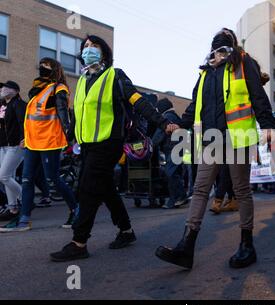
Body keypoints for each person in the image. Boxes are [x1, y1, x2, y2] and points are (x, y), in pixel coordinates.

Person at [155, 28, 275, 270]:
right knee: (200, 188)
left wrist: (269, 125)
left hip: (237, 136)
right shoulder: (205, 73)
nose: (217, 48)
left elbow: (257, 95)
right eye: (215, 43)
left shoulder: (243, 63)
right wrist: (178, 123)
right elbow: (194, 108)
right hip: (211, 139)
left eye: (223, 40)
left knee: (241, 190)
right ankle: (186, 245)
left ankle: (246, 244)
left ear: (231, 44)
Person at [50, 35, 177, 262]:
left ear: (104, 52)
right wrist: (68, 138)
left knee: (88, 189)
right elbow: (78, 117)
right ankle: (126, 231)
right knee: (106, 188)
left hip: (108, 144)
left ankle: (79, 242)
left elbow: (138, 100)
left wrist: (163, 122)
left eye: (94, 46)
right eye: (86, 46)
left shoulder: (114, 76)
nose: (89, 49)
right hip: (87, 145)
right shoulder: (81, 81)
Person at [0, 59, 78, 233]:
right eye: (41, 65)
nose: (43, 68)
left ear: (55, 70)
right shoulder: (36, 92)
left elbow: (64, 114)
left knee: (54, 179)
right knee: (27, 180)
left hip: (50, 142)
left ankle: (76, 210)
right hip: (32, 143)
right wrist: (25, 138)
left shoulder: (59, 89)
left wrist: (70, 139)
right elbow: (31, 120)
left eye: (47, 66)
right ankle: (23, 220)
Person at [153, 98, 188, 209]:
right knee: (175, 173)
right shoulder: (174, 116)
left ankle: (177, 198)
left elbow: (159, 135)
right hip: (178, 148)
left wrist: (151, 144)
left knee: (170, 173)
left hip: (173, 149)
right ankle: (178, 198)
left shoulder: (167, 117)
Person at [0, 81, 26, 222]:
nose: (3, 89)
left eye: (6, 87)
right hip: (6, 145)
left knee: (3, 176)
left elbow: (24, 123)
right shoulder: (6, 105)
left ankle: (26, 199)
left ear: (15, 91)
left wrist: (24, 138)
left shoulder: (19, 104)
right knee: (8, 177)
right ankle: (13, 208)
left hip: (16, 145)